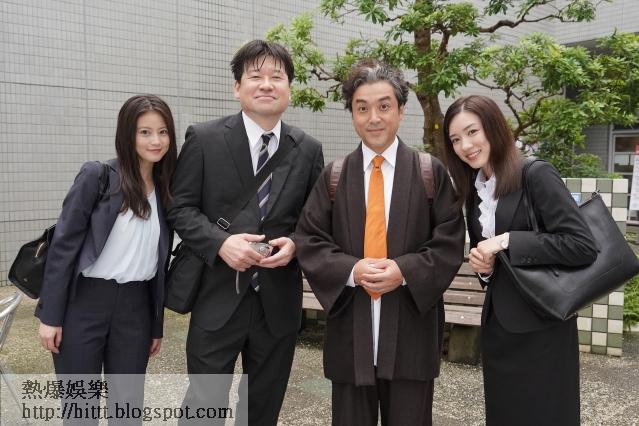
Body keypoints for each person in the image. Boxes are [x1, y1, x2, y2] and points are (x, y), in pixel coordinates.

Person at [295, 59, 465, 426]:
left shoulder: (429, 173)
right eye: (362, 108)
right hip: (351, 330)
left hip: (410, 331)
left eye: (384, 106)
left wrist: (404, 271)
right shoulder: (335, 176)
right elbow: (309, 239)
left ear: (401, 111)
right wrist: (352, 270)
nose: (374, 118)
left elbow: (449, 241)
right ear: (352, 115)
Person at [167, 40, 324, 425]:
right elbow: (179, 209)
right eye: (255, 76)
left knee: (262, 409)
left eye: (277, 77)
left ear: (289, 89)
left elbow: (316, 221)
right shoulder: (204, 138)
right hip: (216, 296)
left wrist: (296, 245)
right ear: (237, 87)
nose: (266, 84)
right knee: (203, 407)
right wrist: (221, 243)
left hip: (277, 302)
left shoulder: (307, 149)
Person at [443, 95, 597, 425]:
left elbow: (582, 245)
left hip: (543, 329)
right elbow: (494, 263)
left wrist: (508, 240)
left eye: (472, 132)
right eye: (455, 139)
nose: (465, 145)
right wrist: (485, 269)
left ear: (494, 127)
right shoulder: (475, 190)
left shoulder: (535, 174)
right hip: (500, 330)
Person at [36, 94, 177, 423]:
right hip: (84, 304)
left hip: (136, 308)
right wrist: (50, 317)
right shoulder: (98, 176)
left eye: (163, 132)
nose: (156, 141)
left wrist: (155, 325)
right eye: (145, 132)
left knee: (127, 409)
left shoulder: (167, 189)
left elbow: (157, 265)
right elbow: (63, 247)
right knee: (80, 409)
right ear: (127, 134)